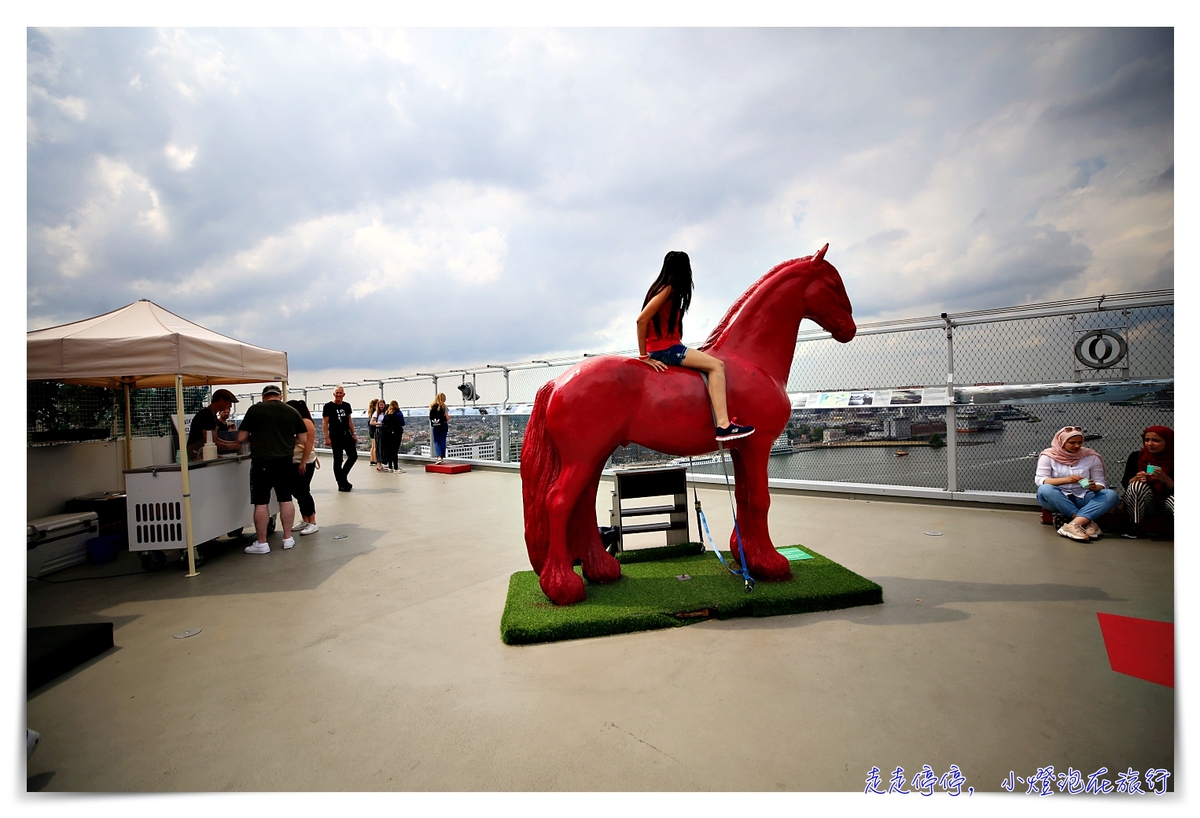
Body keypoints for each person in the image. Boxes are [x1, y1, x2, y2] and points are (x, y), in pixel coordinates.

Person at [636, 250, 754, 440]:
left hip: (664, 347)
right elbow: (641, 320)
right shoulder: (669, 289)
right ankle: (723, 425)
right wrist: (643, 357)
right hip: (665, 349)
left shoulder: (657, 288)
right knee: (717, 365)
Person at [236, 385, 308, 554]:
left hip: (261, 462)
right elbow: (302, 438)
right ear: (280, 396)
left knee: (261, 502)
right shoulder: (291, 411)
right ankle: (288, 538)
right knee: (285, 499)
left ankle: (262, 543)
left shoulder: (254, 410)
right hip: (284, 461)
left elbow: (241, 437)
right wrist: (286, 442)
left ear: (263, 396)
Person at [1034, 426, 1119, 542]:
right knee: (1045, 490)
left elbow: (1101, 482)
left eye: (1080, 442)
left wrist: (1095, 487)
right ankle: (1087, 522)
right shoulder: (1048, 456)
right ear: (1062, 442)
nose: (1077, 446)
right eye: (1072, 443)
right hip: (1058, 498)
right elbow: (1041, 480)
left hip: (1083, 496)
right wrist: (1067, 480)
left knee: (1111, 495)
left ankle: (1073, 525)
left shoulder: (1091, 456)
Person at [1120, 425, 1174, 538]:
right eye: (1147, 440)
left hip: (1166, 504)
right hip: (1145, 504)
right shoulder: (1136, 456)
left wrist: (1167, 480)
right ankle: (1134, 525)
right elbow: (1125, 482)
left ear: (1168, 441)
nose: (1150, 444)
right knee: (1137, 486)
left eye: (1156, 440)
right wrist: (1134, 479)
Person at [287, 399, 320, 536]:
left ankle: (312, 521)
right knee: (298, 491)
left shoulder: (306, 422)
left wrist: (303, 462)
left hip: (303, 462)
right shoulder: (297, 422)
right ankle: (305, 519)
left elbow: (308, 444)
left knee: (303, 491)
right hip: (295, 460)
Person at [186, 388, 242, 461]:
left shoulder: (212, 415)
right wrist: (232, 446)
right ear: (222, 400)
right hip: (197, 454)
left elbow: (215, 439)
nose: (230, 406)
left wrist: (233, 443)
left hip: (203, 453)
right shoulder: (206, 415)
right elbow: (212, 441)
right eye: (229, 402)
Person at [323, 386, 359, 492]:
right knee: (338, 460)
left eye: (340, 393)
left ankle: (342, 477)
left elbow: (349, 420)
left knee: (353, 456)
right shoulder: (328, 406)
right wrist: (327, 437)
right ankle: (341, 483)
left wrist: (354, 434)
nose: (339, 395)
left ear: (344, 394)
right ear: (334, 394)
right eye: (337, 393)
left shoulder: (346, 406)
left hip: (346, 434)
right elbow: (325, 422)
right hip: (335, 435)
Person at [380, 400, 405, 472]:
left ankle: (390, 467)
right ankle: (396, 468)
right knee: (395, 451)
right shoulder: (399, 413)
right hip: (396, 433)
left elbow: (383, 423)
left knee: (389, 450)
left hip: (388, 434)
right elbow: (402, 423)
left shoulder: (386, 414)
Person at [429, 393, 449, 463]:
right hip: (443, 425)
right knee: (442, 440)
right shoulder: (444, 406)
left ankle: (439, 457)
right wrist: (449, 418)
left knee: (436, 441)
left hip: (435, 425)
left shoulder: (432, 406)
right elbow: (447, 417)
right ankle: (442, 456)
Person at [372, 399, 389, 472]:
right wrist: (380, 423)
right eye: (380, 405)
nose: (381, 406)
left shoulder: (385, 412)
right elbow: (372, 422)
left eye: (382, 404)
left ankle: (382, 464)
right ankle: (379, 464)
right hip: (379, 430)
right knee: (379, 447)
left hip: (385, 431)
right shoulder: (376, 413)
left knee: (383, 447)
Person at [366, 398, 380, 465]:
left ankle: (372, 460)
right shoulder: (375, 413)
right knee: (375, 447)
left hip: (371, 430)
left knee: (373, 446)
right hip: (374, 430)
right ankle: (375, 460)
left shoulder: (370, 413)